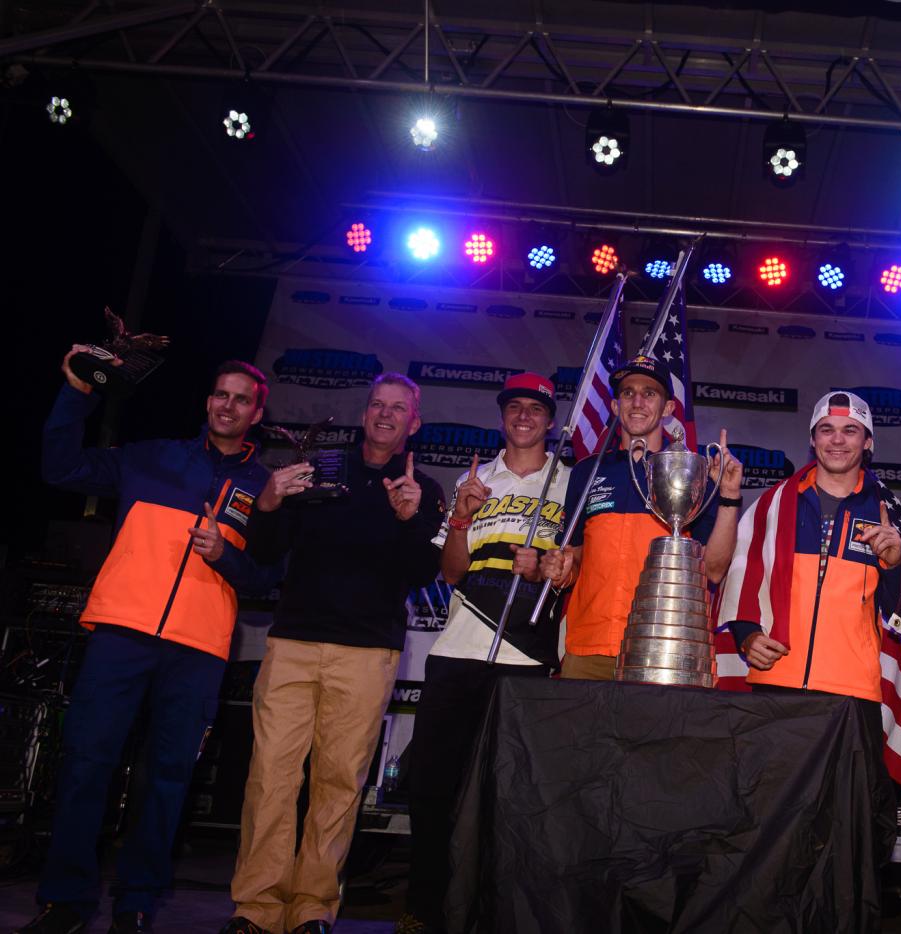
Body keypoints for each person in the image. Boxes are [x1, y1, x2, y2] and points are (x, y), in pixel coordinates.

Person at [25, 351, 276, 934]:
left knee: (166, 779)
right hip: (120, 634)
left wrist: (227, 556)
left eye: (242, 398)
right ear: (207, 401)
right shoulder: (151, 457)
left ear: (257, 413)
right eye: (221, 394)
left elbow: (268, 576)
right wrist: (74, 393)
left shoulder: (264, 489)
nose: (228, 405)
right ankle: (65, 900)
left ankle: (137, 904)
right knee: (88, 765)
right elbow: (59, 467)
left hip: (197, 650)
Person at [221, 373, 445, 934]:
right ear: (364, 412)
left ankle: (313, 909)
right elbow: (269, 552)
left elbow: (420, 574)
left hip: (367, 653)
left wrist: (410, 520)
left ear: (413, 423)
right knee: (270, 777)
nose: (385, 415)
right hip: (293, 641)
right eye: (377, 405)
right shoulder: (322, 467)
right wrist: (267, 504)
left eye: (399, 409)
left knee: (339, 783)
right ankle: (256, 909)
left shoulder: (424, 489)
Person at [396, 373, 569, 934]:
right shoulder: (474, 478)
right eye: (514, 407)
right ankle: (424, 906)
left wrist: (546, 567)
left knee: (510, 795)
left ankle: (494, 912)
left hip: (526, 656)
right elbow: (449, 572)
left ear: (551, 421)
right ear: (503, 417)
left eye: (535, 409)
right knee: (432, 786)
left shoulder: (571, 484)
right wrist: (463, 520)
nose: (524, 417)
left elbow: (576, 572)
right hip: (458, 649)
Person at [539, 354, 741, 678]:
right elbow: (574, 560)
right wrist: (561, 568)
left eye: (649, 393)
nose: (637, 402)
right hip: (589, 647)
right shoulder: (587, 471)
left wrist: (729, 496)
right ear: (615, 406)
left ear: (668, 409)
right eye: (627, 393)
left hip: (663, 650)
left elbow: (714, 570)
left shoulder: (690, 472)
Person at [721, 391, 901, 705]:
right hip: (776, 679)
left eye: (850, 430)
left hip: (852, 688)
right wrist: (746, 635)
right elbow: (739, 578)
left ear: (868, 443)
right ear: (812, 439)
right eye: (827, 430)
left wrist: (893, 564)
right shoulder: (773, 504)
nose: (837, 440)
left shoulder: (887, 512)